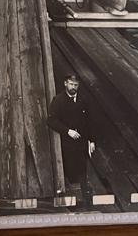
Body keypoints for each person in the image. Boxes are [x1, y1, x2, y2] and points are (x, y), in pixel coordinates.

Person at [48, 74, 96, 202]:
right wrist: (67, 131)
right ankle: (70, 200)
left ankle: (84, 199)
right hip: (66, 141)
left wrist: (91, 140)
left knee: (82, 168)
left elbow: (90, 121)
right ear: (65, 84)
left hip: (81, 141)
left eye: (75, 85)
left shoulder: (83, 100)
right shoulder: (58, 100)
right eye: (70, 84)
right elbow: (51, 120)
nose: (73, 87)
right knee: (69, 168)